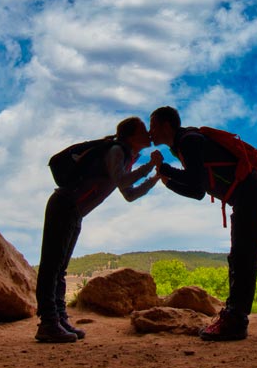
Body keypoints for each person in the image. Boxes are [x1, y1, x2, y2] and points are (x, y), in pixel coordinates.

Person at [148, 106, 257, 341]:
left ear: (166, 125)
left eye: (152, 125)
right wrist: (168, 182)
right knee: (239, 256)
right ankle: (234, 317)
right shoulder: (183, 145)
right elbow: (198, 192)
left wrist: (163, 168)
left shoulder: (188, 141)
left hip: (250, 192)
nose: (150, 131)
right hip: (248, 194)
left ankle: (235, 321)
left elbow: (195, 181)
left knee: (243, 256)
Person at [35, 117, 162, 343]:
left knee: (60, 268)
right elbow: (123, 181)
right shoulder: (116, 150)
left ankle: (59, 318)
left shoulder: (125, 156)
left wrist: (155, 179)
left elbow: (129, 195)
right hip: (64, 204)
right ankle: (48, 322)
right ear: (131, 135)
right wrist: (150, 166)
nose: (149, 133)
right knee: (52, 267)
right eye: (144, 130)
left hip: (74, 210)